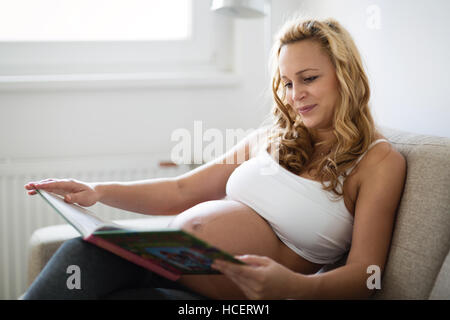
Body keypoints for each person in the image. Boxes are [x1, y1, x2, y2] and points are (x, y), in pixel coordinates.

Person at [22, 17, 406, 300]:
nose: (294, 95)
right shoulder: (270, 139)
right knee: (80, 253)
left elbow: (366, 274)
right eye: (287, 83)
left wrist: (295, 286)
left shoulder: (377, 163)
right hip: (168, 266)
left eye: (308, 78)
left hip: (230, 300)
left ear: (345, 75)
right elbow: (180, 189)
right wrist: (97, 191)